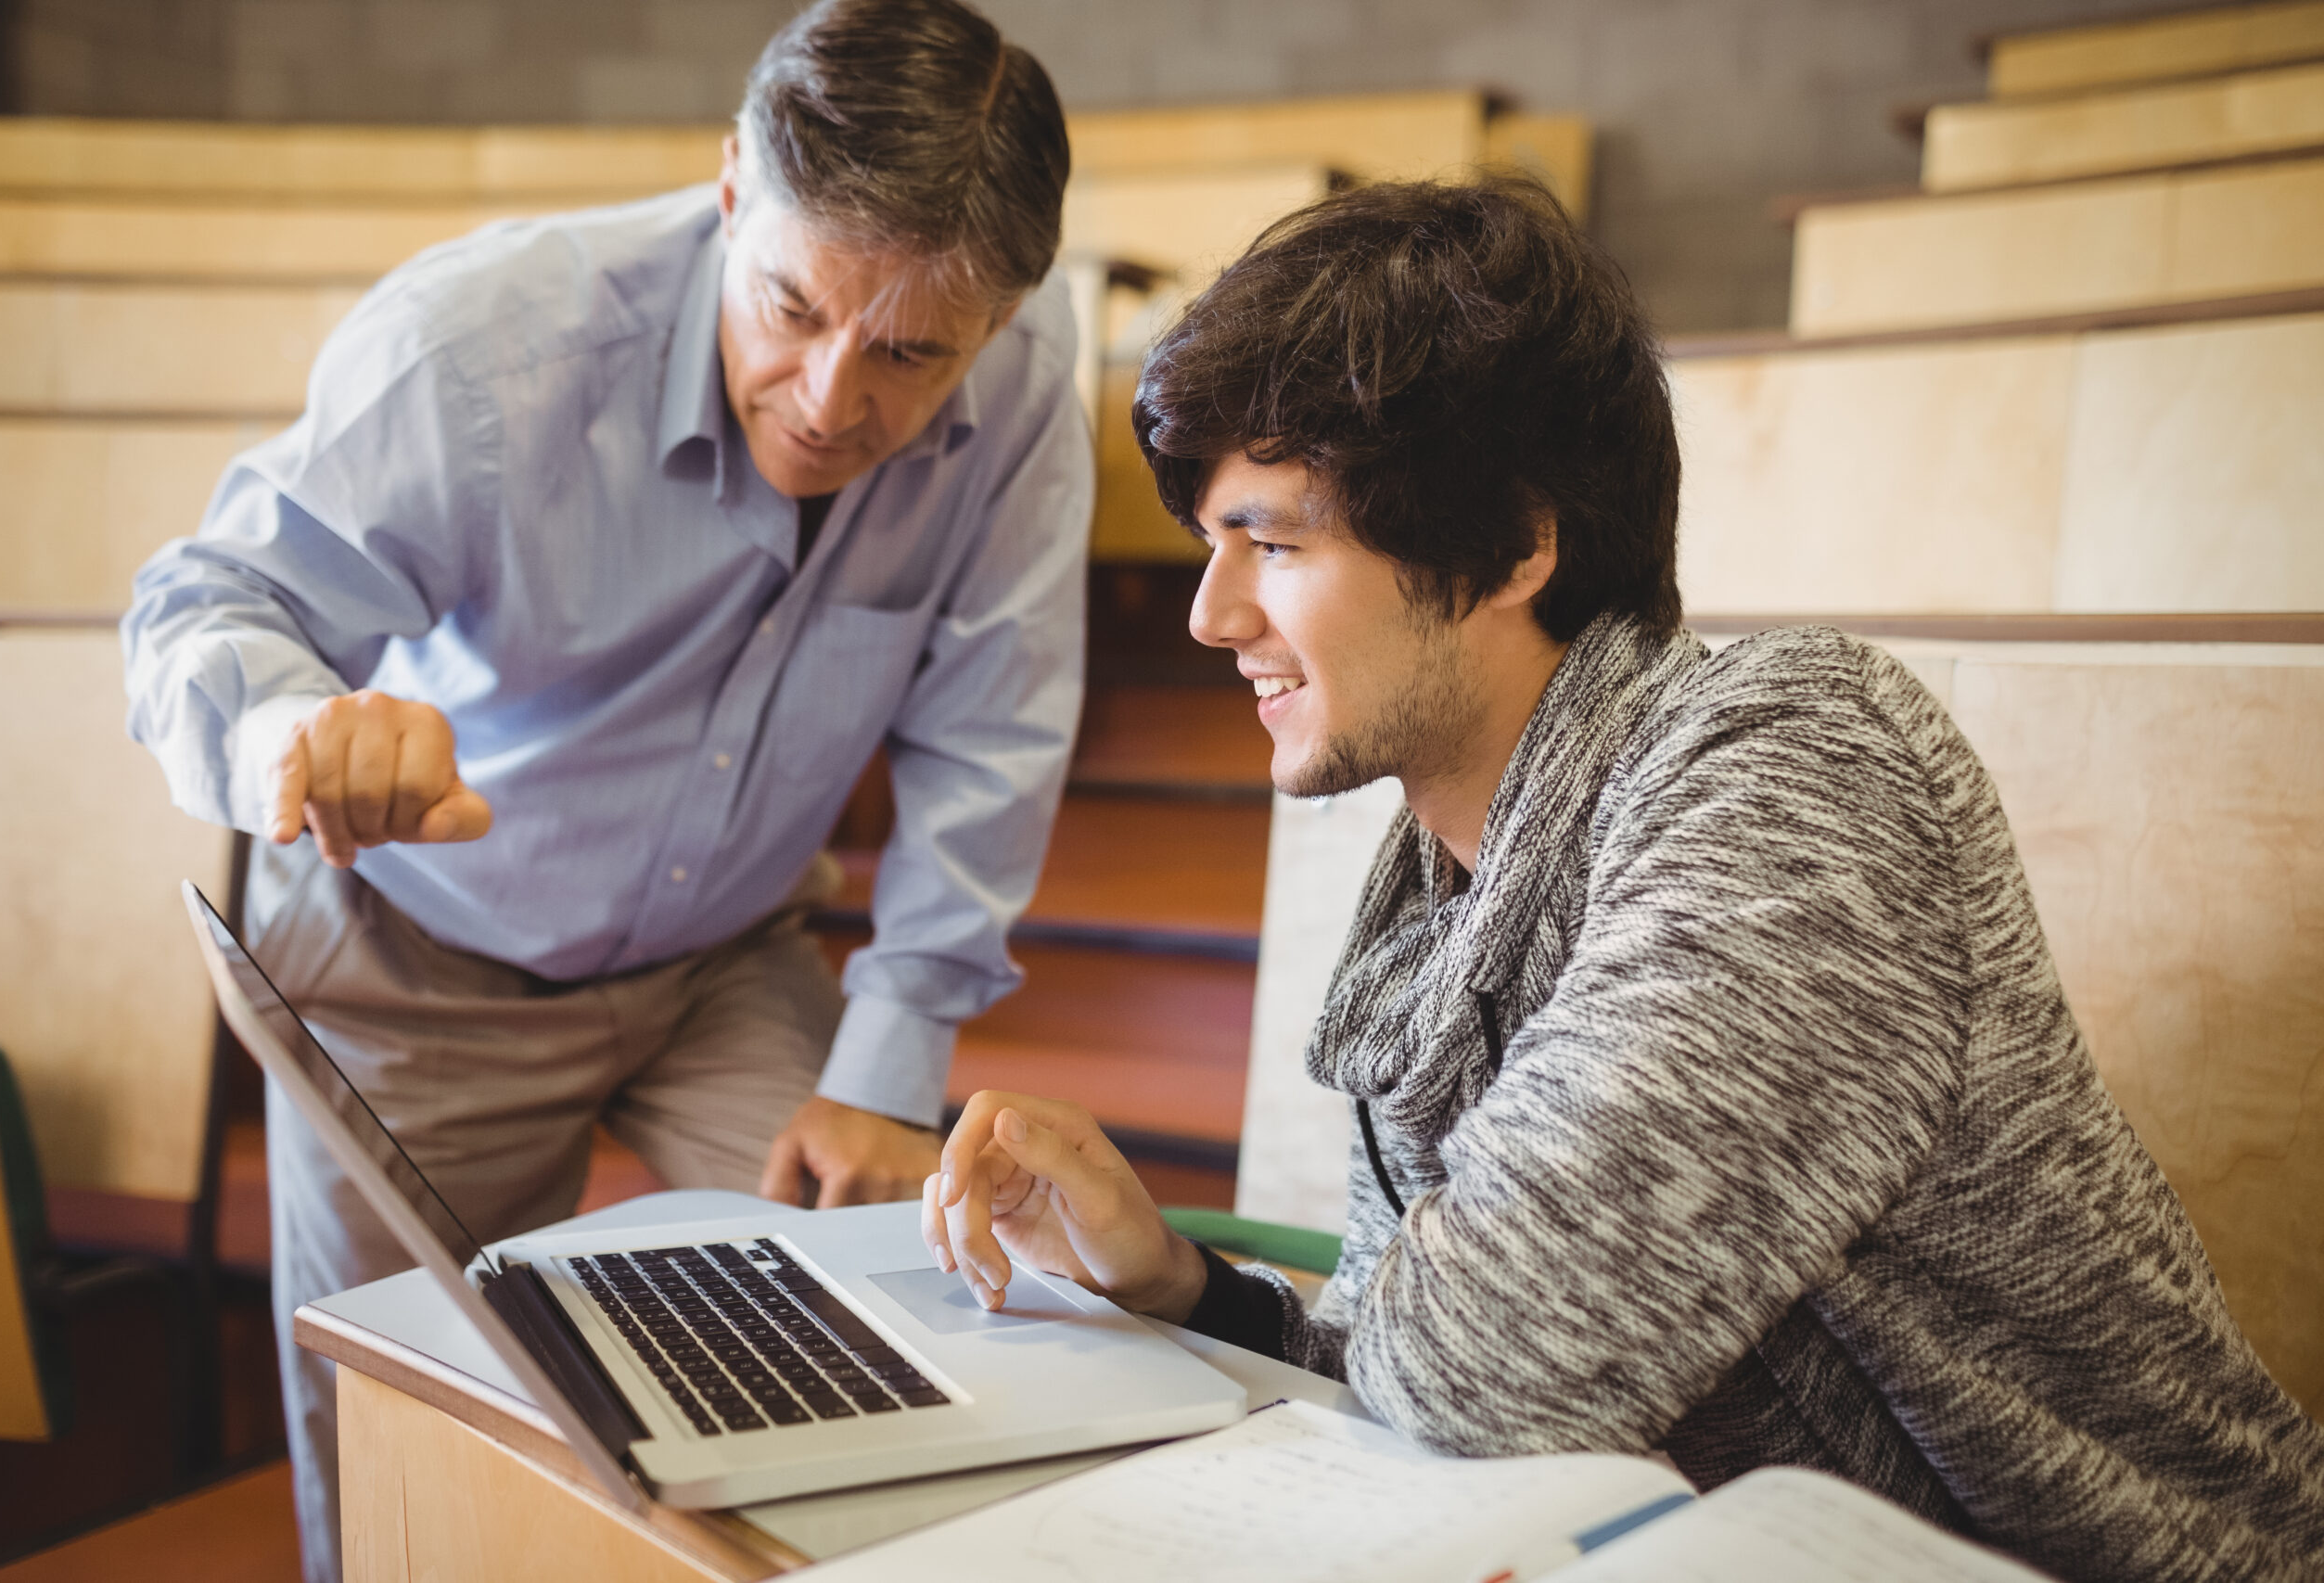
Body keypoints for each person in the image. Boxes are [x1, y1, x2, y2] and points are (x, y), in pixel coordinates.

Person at [924, 174, 2324, 1582]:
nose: (1212, 614)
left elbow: (1491, 1367)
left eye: (1276, 542)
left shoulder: (1799, 763)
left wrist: (1405, 1324)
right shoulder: (1444, 891)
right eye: (1213, 544)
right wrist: (1176, 1284)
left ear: (1517, 543)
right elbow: (1412, 1364)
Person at [121, 3, 1085, 1577]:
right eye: (790, 305)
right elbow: (201, 608)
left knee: (897, 1328)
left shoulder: (1028, 379)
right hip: (418, 965)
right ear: (728, 191)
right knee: (407, 1436)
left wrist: (895, 1056)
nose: (834, 399)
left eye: (913, 352)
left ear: (1002, 314)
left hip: (727, 964)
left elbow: (996, 729)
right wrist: (293, 735)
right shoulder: (483, 348)